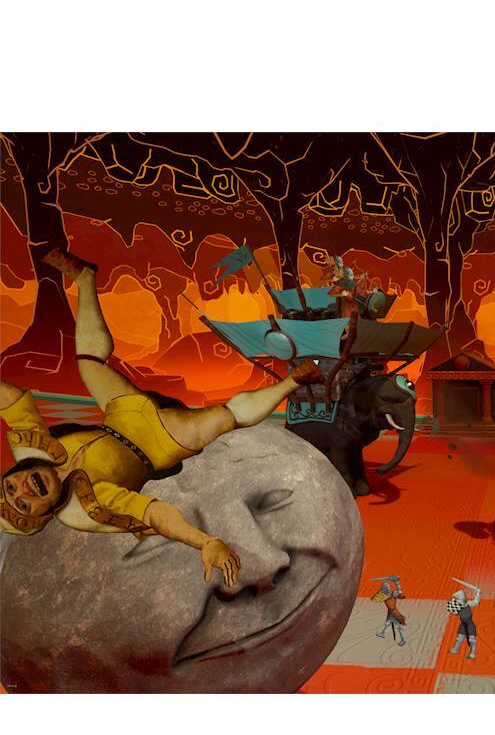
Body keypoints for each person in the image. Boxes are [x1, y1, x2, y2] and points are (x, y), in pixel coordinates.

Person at [0, 247, 324, 587]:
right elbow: (154, 513)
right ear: (42, 517)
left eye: (10, 487)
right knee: (225, 417)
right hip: (157, 443)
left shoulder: (30, 450)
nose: (24, 490)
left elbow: (11, 401)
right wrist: (205, 542)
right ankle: (293, 381)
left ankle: (85, 279)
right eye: (23, 505)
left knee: (89, 363)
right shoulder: (84, 511)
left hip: (119, 415)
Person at [447, 585, 481, 659]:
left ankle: (472, 653)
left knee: (472, 640)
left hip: (469, 624)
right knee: (459, 638)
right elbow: (453, 611)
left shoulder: (468, 604)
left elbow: (476, 602)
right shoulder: (457, 606)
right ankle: (455, 650)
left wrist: (478, 593)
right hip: (463, 624)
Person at [374, 575, 407, 646]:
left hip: (393, 611)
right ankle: (383, 633)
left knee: (398, 625)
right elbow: (376, 599)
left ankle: (403, 640)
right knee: (388, 622)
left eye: (385, 588)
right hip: (390, 611)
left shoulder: (393, 594)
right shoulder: (383, 595)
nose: (384, 589)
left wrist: (397, 582)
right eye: (383, 588)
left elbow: (399, 592)